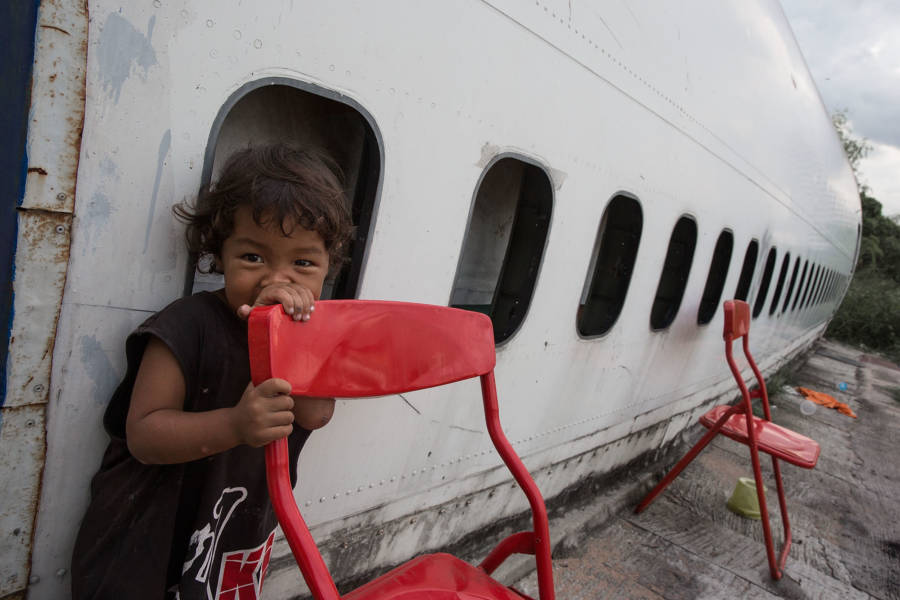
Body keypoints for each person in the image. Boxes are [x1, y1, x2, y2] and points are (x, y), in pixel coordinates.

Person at [71, 144, 354, 600]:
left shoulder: (312, 338)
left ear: (327, 268)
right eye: (253, 258)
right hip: (148, 535)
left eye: (303, 263)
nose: (276, 279)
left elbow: (315, 415)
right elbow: (144, 435)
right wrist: (236, 425)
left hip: (232, 535)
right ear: (219, 254)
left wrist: (291, 341)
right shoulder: (186, 325)